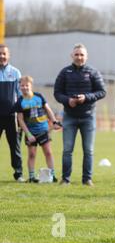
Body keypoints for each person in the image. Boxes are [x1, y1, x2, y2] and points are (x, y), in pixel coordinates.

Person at [54, 43, 106, 186]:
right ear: (72, 56)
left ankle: (87, 179)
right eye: (76, 54)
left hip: (88, 116)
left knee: (88, 150)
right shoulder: (64, 72)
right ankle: (65, 179)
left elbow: (102, 92)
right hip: (69, 116)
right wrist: (67, 100)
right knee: (67, 150)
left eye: (82, 54)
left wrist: (86, 97)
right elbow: (57, 93)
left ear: (86, 56)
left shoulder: (93, 72)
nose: (79, 57)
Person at [15, 76, 62, 183]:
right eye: (22, 85)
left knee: (48, 152)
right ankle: (31, 177)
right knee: (32, 154)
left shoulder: (39, 97)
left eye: (27, 85)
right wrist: (28, 134)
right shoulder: (20, 101)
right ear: (19, 87)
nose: (24, 87)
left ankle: (52, 175)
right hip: (30, 132)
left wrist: (54, 121)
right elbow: (20, 120)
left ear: (31, 86)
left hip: (43, 130)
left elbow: (48, 110)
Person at [0, 44, 24, 182]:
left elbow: (20, 95)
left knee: (15, 146)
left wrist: (21, 114)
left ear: (8, 55)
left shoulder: (15, 72)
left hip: (11, 117)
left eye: (4, 53)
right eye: (0, 53)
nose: (1, 56)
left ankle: (18, 173)